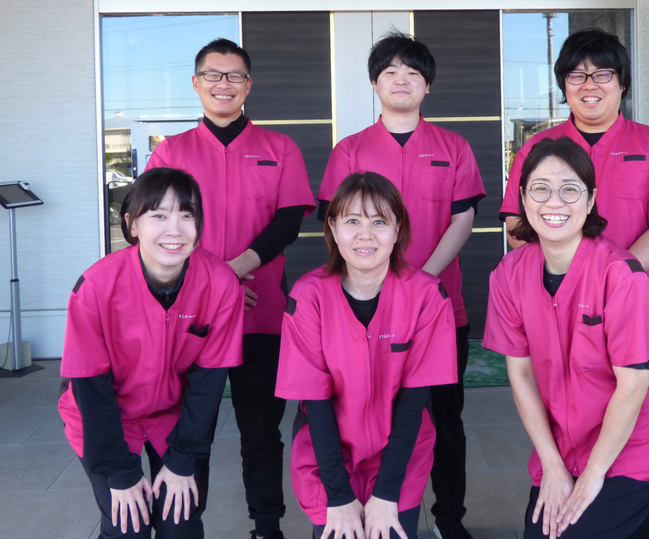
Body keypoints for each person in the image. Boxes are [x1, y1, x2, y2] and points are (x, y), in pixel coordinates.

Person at [145, 38, 316, 539]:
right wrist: (215, 285)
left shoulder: (279, 148)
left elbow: (288, 222)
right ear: (196, 83)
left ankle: (267, 526)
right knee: (186, 431)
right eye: (213, 75)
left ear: (248, 85)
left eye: (235, 75)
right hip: (189, 318)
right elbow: (157, 228)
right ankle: (183, 526)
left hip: (261, 313)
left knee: (261, 433)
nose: (224, 84)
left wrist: (235, 269)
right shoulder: (171, 152)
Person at [317, 32, 485, 539]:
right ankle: (372, 505)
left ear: (427, 85)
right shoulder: (350, 150)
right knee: (369, 413)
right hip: (364, 311)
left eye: (413, 72)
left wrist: (421, 281)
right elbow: (337, 224)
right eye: (390, 72)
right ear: (375, 84)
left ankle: (450, 519)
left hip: (440, 307)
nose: (402, 80)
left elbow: (463, 217)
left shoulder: (454, 147)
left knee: (446, 419)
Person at [485, 138, 649, 539]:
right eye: (540, 188)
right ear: (522, 198)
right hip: (565, 444)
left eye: (570, 189)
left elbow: (633, 385)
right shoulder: (509, 274)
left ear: (591, 199)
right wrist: (553, 466)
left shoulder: (621, 274)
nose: (554, 202)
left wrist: (593, 477)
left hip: (635, 443)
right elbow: (521, 375)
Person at [58, 167, 245, 539]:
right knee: (127, 526)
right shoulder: (96, 287)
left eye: (187, 215)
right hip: (105, 418)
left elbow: (208, 384)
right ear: (132, 224)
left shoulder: (221, 284)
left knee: (181, 525)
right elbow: (90, 387)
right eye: (158, 215)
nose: (175, 230)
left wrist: (184, 459)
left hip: (174, 418)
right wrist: (118, 471)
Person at [277, 172, 458, 539]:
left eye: (379, 222)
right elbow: (315, 404)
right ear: (332, 227)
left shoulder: (427, 295)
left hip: (399, 458)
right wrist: (339, 495)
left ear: (397, 229)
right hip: (326, 458)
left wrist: (387, 492)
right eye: (352, 221)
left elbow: (414, 404)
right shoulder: (308, 296)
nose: (365, 235)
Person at [500, 28, 649, 365]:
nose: (589, 85)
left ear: (622, 83)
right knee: (556, 394)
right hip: (555, 305)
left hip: (635, 308)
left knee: (640, 397)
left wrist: (608, 280)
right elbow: (517, 224)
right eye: (576, 75)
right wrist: (569, 278)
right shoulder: (536, 148)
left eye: (602, 74)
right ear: (564, 85)